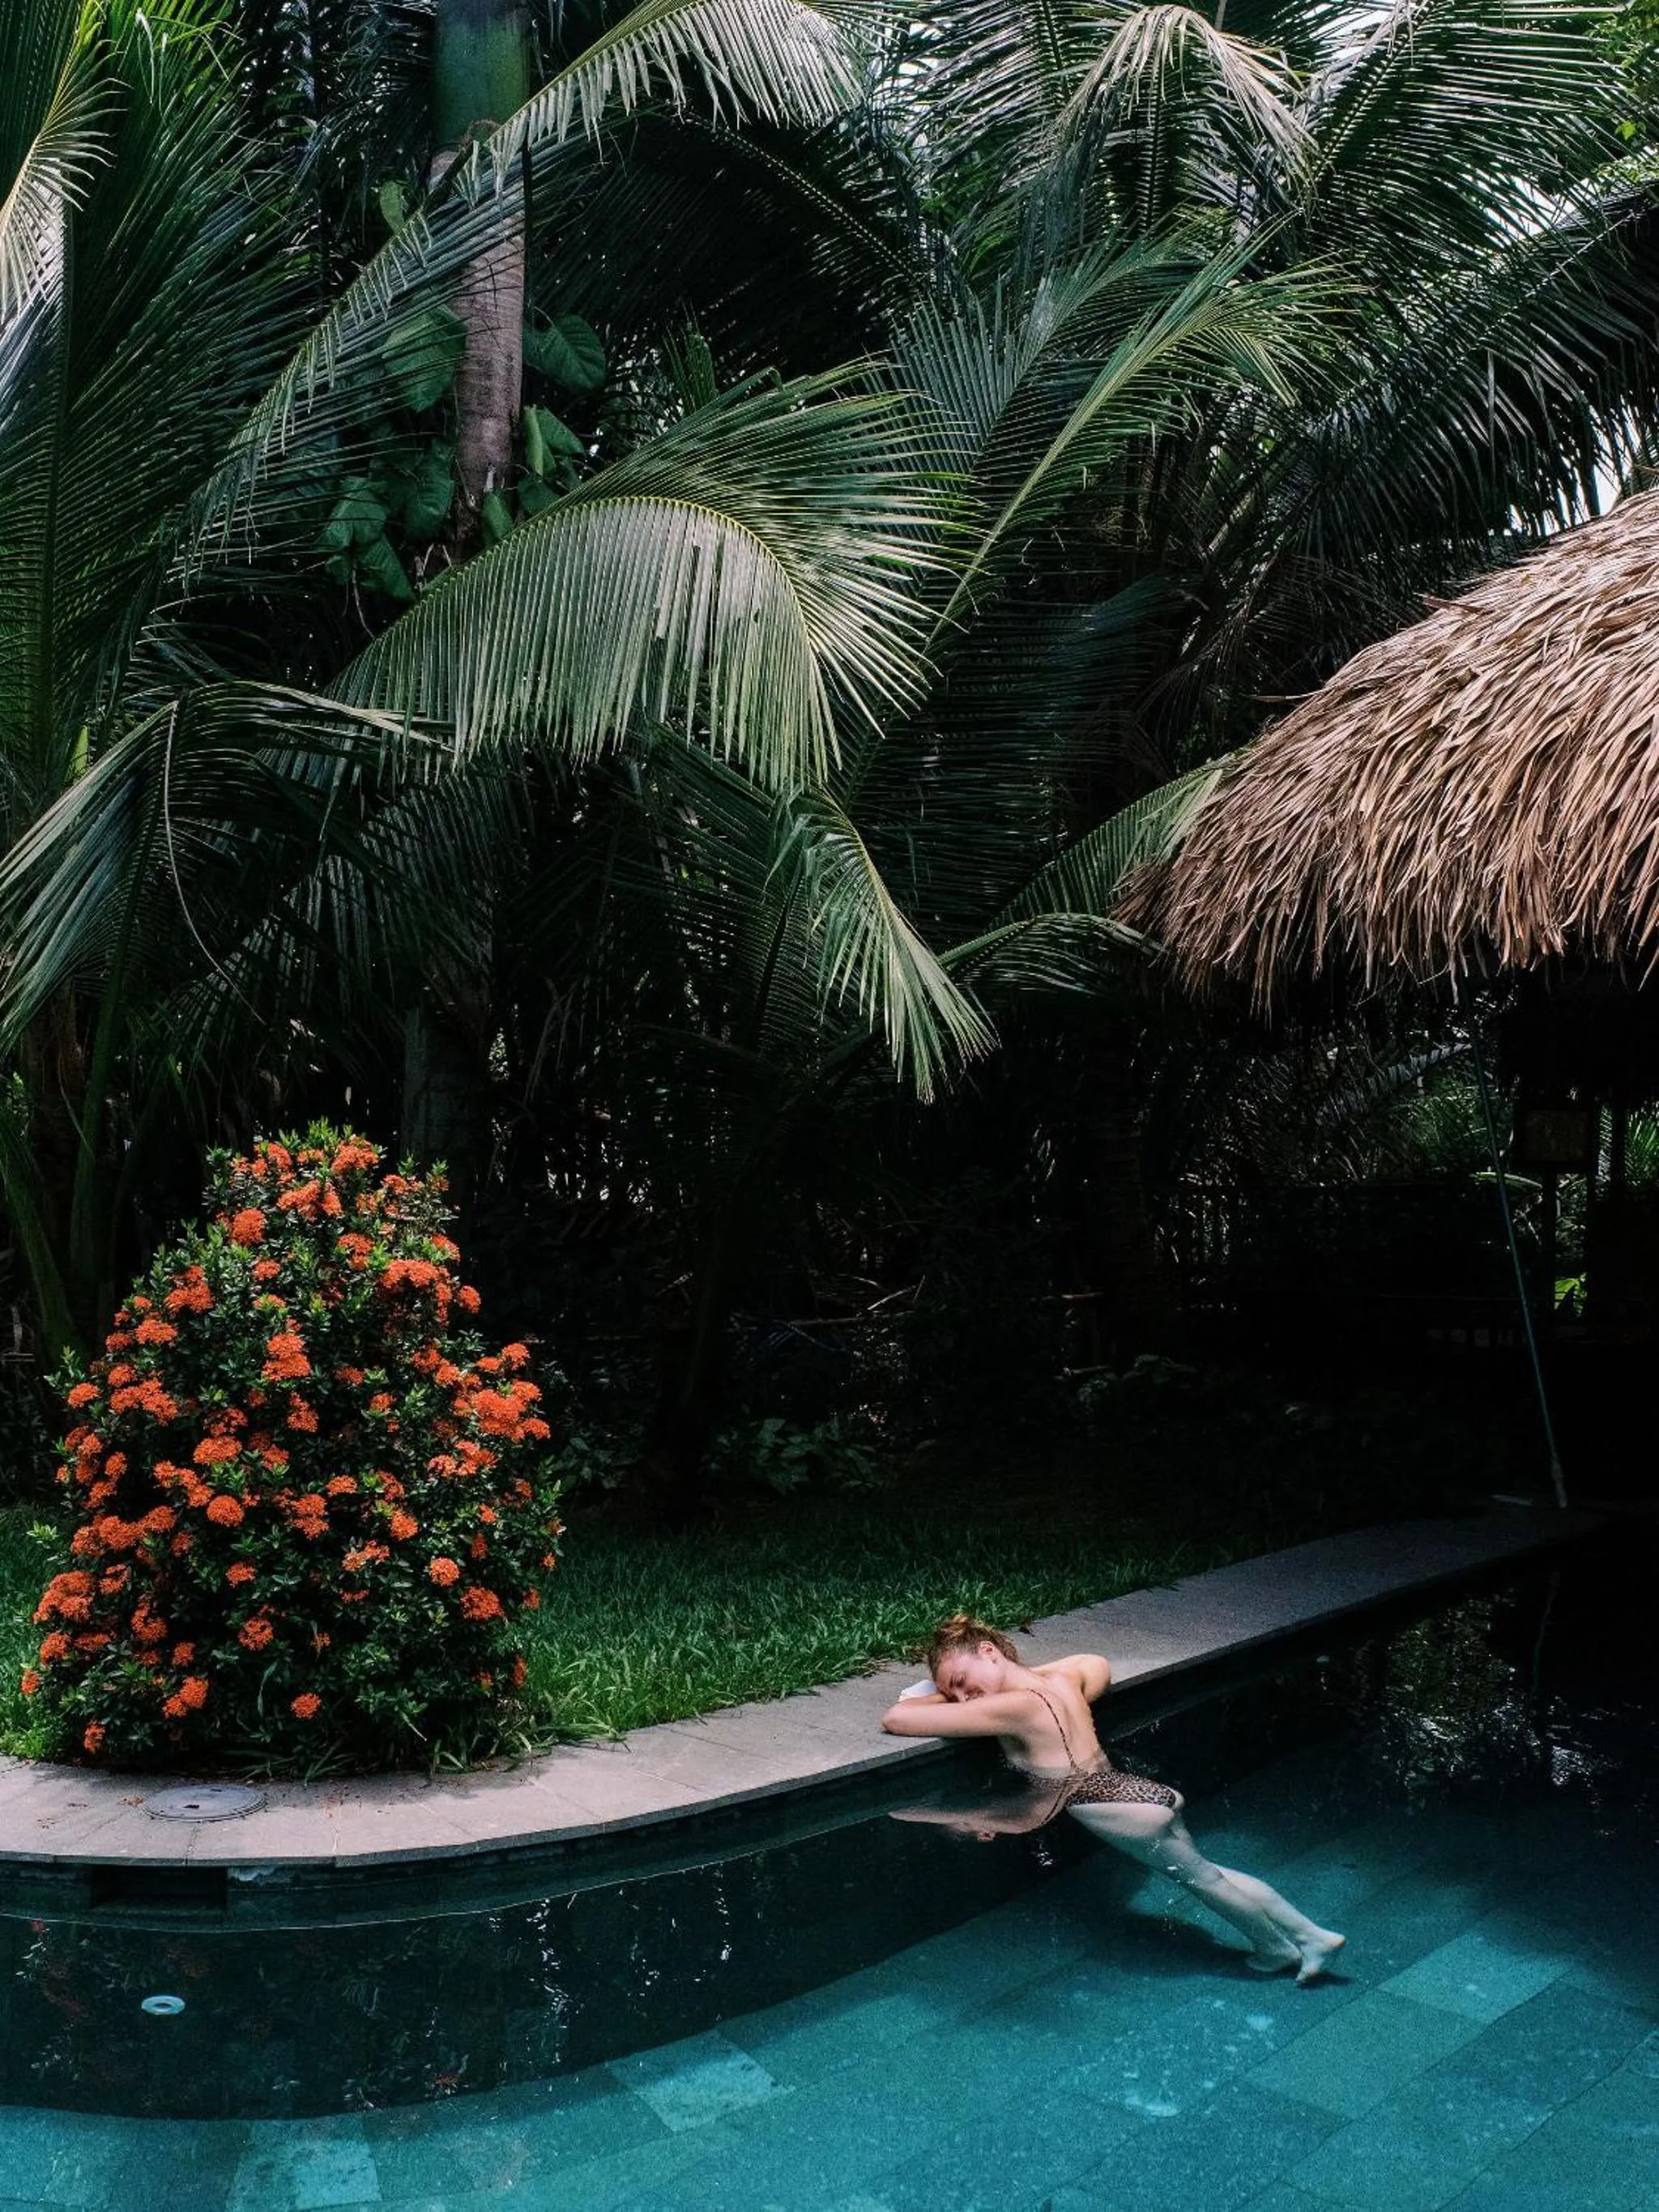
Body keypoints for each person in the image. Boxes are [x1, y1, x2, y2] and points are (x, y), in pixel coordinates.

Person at [880, 1611, 1346, 1984]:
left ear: (988, 1652)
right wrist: (1014, 1673)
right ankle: (1311, 1936)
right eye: (952, 1693)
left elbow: (898, 1718)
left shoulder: (1013, 1707)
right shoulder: (1059, 1684)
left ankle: (1277, 1948)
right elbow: (1094, 1662)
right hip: (1129, 1791)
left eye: (960, 1681)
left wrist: (932, 1698)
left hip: (1100, 1799)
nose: (963, 1699)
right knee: (1210, 1872)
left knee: (1204, 1881)